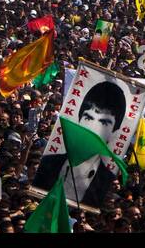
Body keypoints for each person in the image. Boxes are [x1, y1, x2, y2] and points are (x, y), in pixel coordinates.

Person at [33, 80, 128, 210]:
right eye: (88, 118)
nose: (93, 129)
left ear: (114, 132)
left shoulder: (106, 181)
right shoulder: (48, 163)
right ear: (79, 119)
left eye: (104, 123)